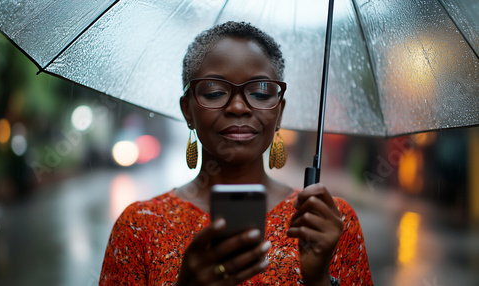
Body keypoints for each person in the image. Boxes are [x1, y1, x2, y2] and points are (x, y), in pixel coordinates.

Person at [99, 21, 373, 285]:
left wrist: (318, 280)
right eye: (215, 92)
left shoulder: (327, 223)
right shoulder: (138, 228)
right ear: (187, 111)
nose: (239, 107)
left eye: (261, 93)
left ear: (279, 112)